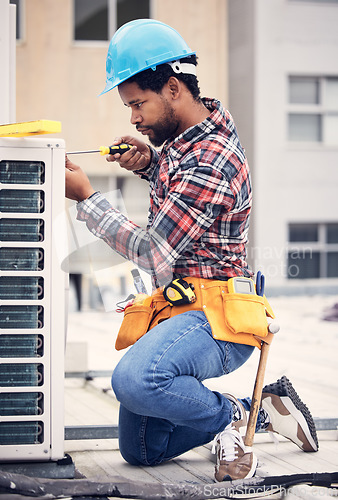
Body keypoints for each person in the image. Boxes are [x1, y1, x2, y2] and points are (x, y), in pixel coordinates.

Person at [65, 19, 318, 481]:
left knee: (134, 381)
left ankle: (227, 420)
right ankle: (257, 409)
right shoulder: (188, 145)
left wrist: (87, 199)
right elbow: (186, 187)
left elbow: (153, 252)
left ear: (174, 88)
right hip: (183, 307)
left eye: (138, 104)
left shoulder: (212, 157)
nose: (134, 118)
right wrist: (151, 164)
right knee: (142, 449)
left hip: (218, 318)